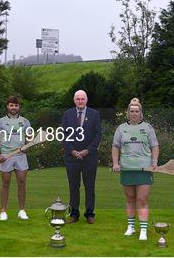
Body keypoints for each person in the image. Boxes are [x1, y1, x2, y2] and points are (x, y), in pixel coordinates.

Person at [112, 98, 159, 240]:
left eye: (137, 111)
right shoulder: (121, 128)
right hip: (127, 168)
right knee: (130, 198)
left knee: (142, 199)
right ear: (128, 112)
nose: (134, 113)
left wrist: (154, 162)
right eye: (132, 111)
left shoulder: (148, 127)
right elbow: (115, 146)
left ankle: (143, 230)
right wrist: (115, 163)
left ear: (141, 113)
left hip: (144, 168)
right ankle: (131, 227)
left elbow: (155, 146)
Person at [61, 90, 101, 224]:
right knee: (73, 187)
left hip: (89, 158)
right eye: (77, 99)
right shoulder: (67, 114)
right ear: (74, 100)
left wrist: (87, 151)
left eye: (82, 98)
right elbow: (64, 135)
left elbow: (97, 135)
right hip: (71, 158)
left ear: (86, 100)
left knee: (89, 186)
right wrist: (72, 151)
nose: (80, 101)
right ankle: (74, 213)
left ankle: (89, 214)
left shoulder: (94, 114)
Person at [0, 96, 31, 221]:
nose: (14, 107)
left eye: (16, 105)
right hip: (6, 156)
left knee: (22, 183)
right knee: (5, 183)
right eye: (11, 105)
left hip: (20, 157)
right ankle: (3, 211)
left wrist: (27, 146)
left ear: (19, 107)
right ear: (7, 106)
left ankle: (22, 211)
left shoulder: (25, 122)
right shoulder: (0, 122)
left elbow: (30, 140)